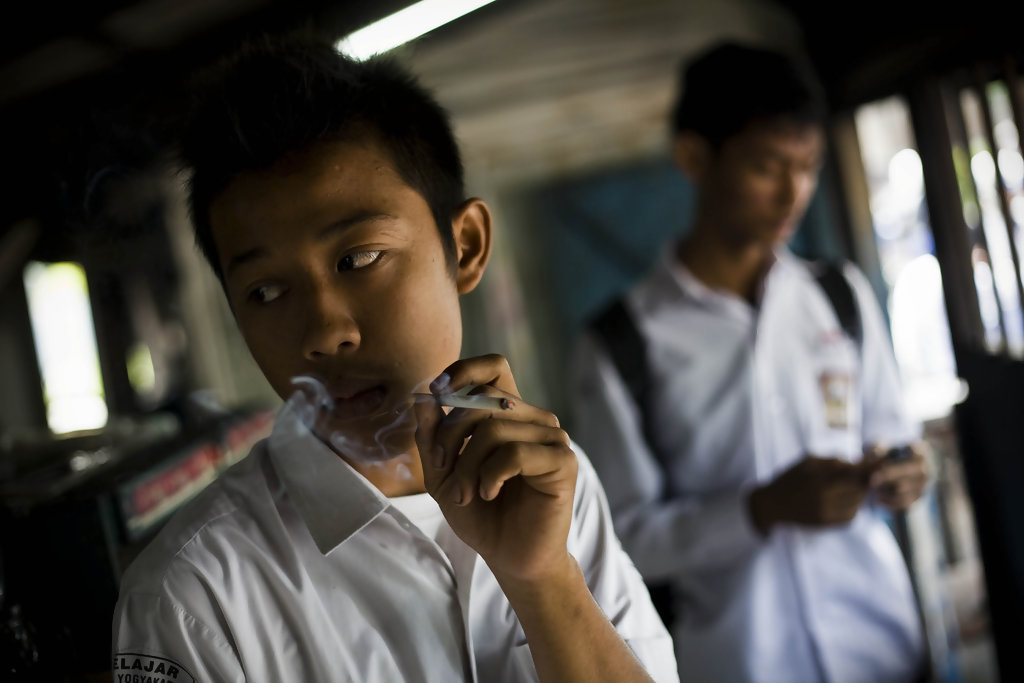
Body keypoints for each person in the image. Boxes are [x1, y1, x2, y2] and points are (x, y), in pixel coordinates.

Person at [110, 35, 678, 682]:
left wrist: (544, 578)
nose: (324, 332)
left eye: (358, 258)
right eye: (265, 291)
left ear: (463, 246)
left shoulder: (554, 487)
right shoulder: (193, 597)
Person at [568, 41, 931, 682]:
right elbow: (624, 542)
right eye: (767, 165)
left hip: (881, 644)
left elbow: (890, 432)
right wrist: (759, 510)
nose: (794, 192)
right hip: (743, 663)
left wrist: (902, 469)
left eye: (809, 166)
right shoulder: (623, 345)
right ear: (694, 157)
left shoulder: (837, 296)